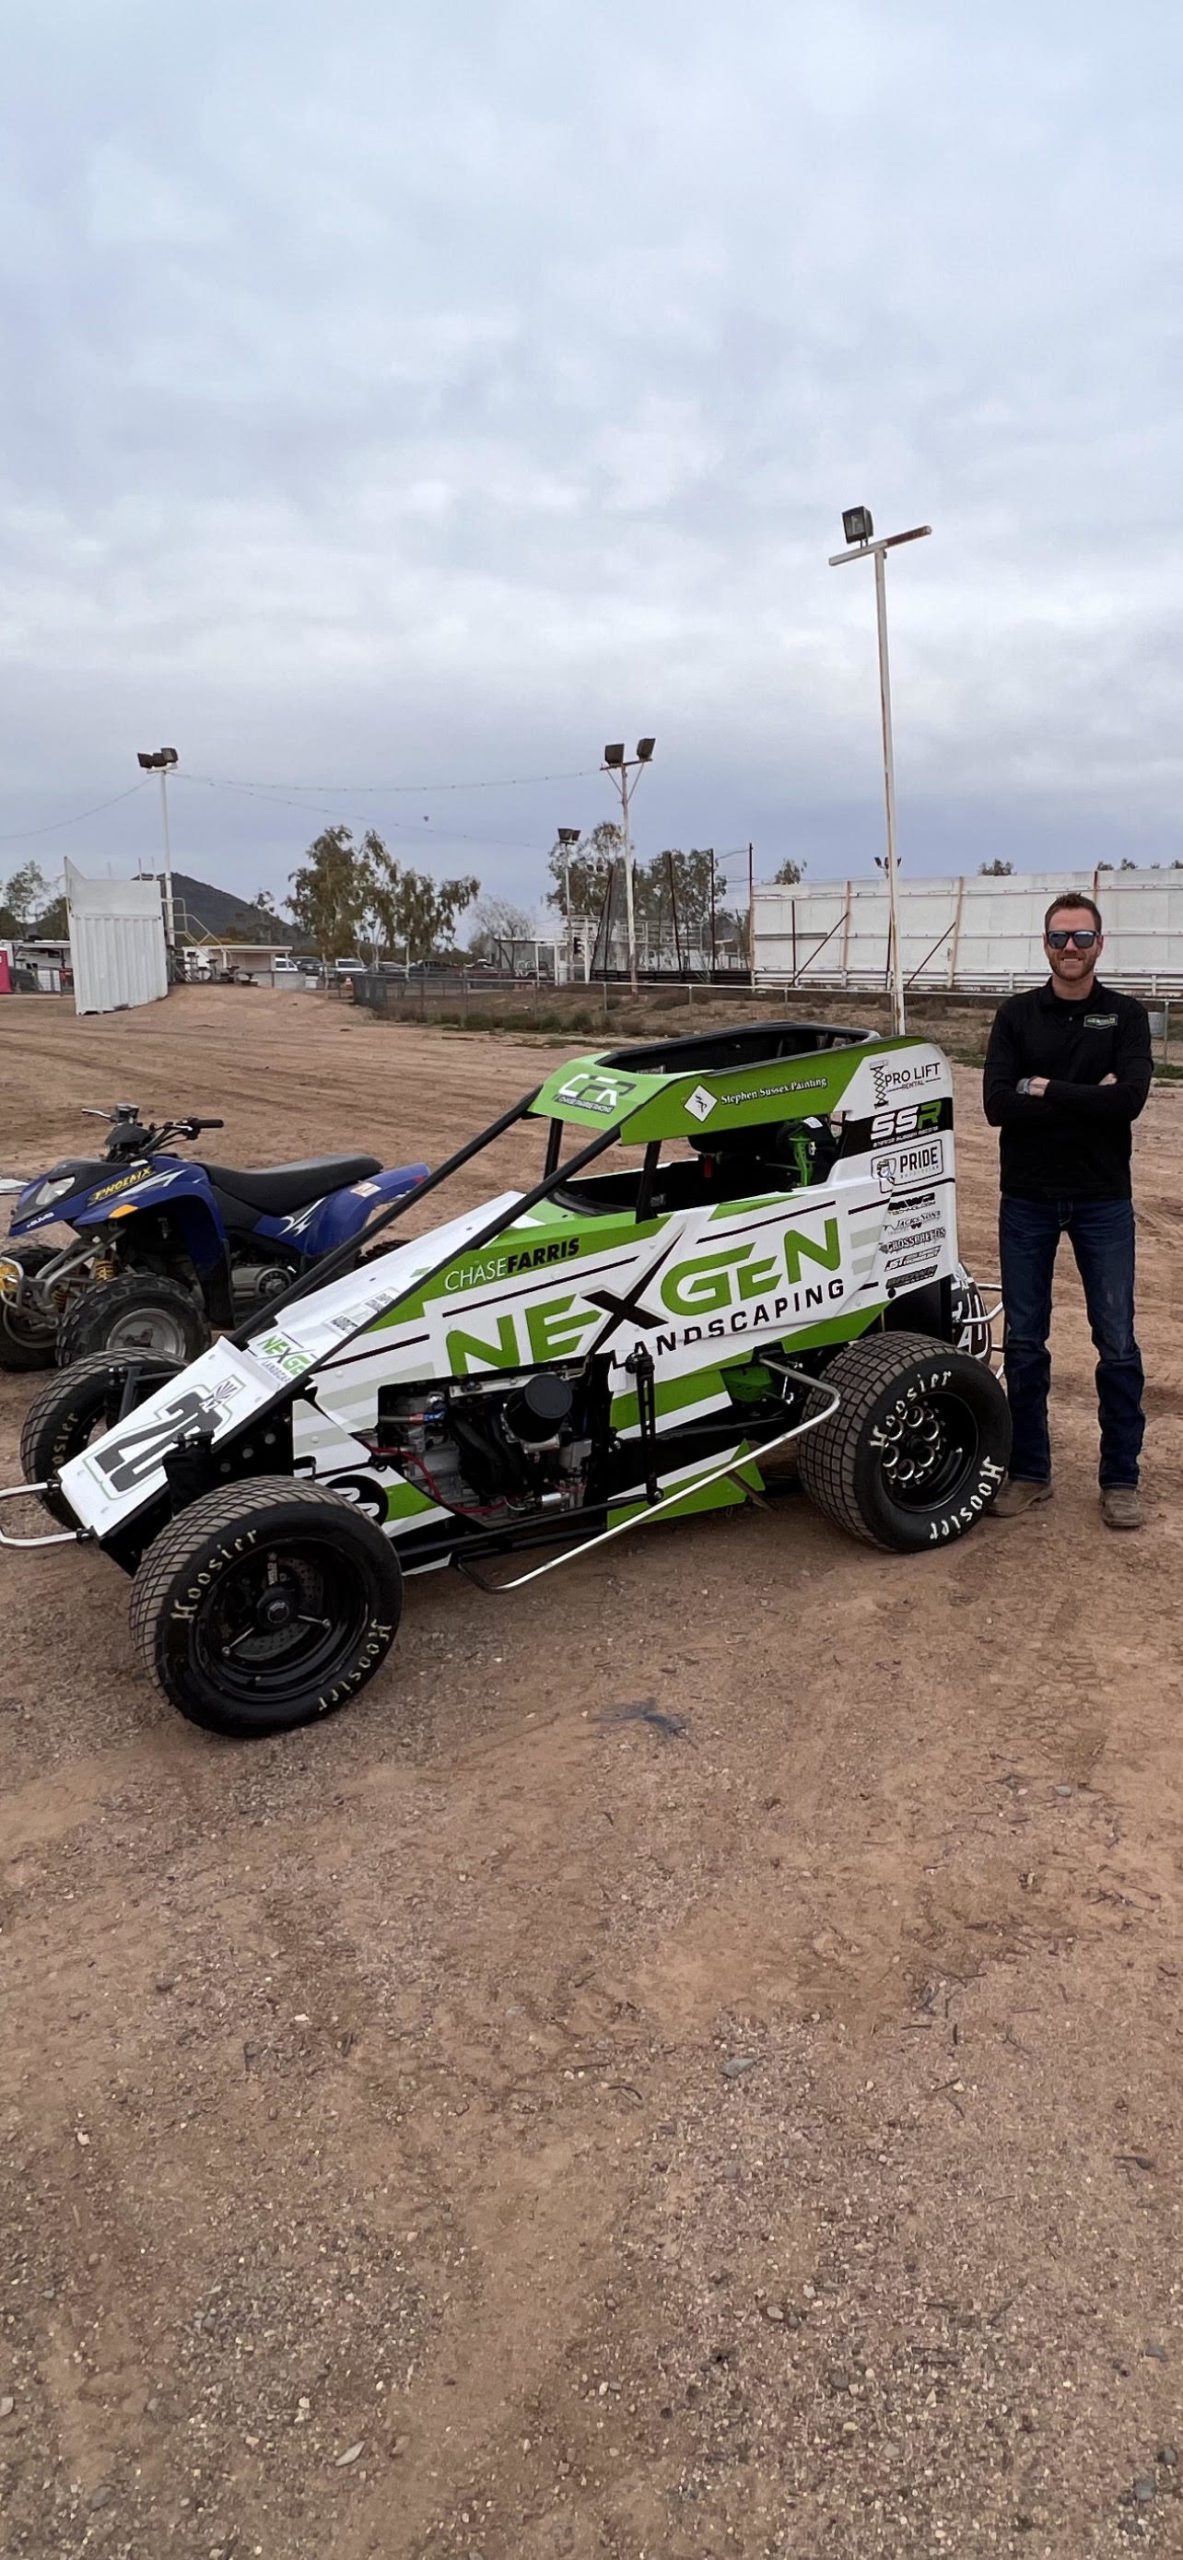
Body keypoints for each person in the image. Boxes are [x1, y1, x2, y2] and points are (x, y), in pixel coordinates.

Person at [982, 892, 1152, 1529]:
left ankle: (1120, 1479)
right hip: (1026, 1198)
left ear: (1100, 944)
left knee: (1117, 1343)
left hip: (1102, 1200)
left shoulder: (1126, 1016)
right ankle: (1030, 1473)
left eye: (1082, 938)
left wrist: (1045, 1087)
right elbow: (997, 1104)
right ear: (1045, 944)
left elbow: (1129, 1101)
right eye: (1059, 938)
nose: (1071, 949)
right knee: (1025, 1342)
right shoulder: (1017, 1015)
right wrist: (1088, 1096)